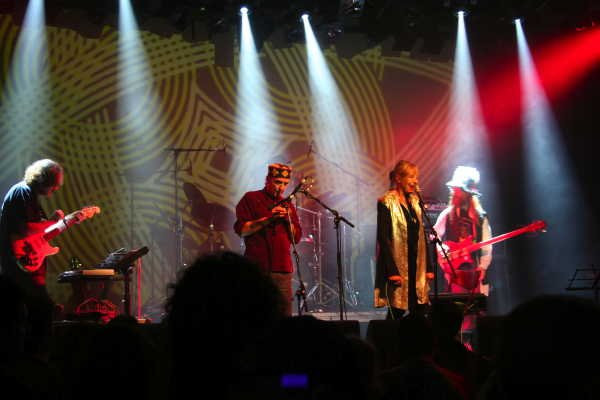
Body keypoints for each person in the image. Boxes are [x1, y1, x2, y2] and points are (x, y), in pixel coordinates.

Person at [234, 163, 302, 316]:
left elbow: (296, 238)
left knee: (284, 316)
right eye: (278, 182)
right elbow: (243, 230)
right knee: (256, 314)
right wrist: (269, 218)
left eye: (285, 183)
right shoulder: (251, 198)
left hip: (282, 269)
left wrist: (288, 219)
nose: (281, 187)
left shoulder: (288, 205)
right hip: (257, 268)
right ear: (267, 180)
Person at [374, 160, 433, 320]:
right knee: (397, 311)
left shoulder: (415, 202)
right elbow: (383, 238)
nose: (415, 181)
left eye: (416, 177)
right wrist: (392, 271)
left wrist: (428, 267)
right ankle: (387, 336)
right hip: (399, 266)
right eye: (411, 177)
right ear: (399, 178)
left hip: (417, 267)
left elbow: (422, 236)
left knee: (420, 308)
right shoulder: (386, 202)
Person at [432, 166, 492, 296]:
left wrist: (483, 266)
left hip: (475, 272)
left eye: (458, 189)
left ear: (468, 193)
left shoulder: (481, 218)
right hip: (454, 273)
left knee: (475, 306)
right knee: (456, 304)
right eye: (454, 189)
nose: (454, 192)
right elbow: (433, 235)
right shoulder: (447, 215)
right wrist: (441, 248)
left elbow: (487, 246)